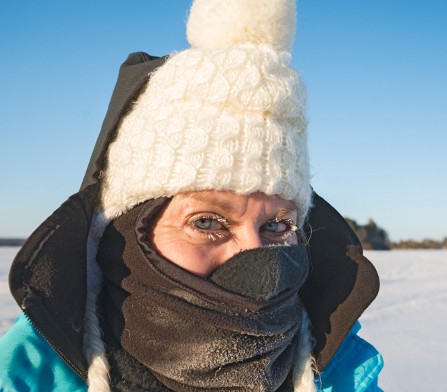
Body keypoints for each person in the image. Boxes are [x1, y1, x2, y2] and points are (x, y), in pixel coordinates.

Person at [0, 0, 383, 391]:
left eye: (277, 225)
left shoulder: (342, 374)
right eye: (206, 222)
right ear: (125, 233)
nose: (256, 256)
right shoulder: (29, 377)